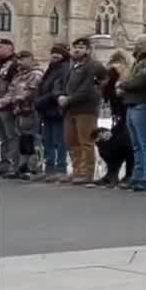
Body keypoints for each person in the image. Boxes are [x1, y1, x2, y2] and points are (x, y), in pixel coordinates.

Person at [58, 37, 107, 184]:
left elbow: (87, 89)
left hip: (85, 109)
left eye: (81, 47)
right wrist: (60, 96)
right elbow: (61, 84)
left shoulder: (93, 66)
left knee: (86, 141)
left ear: (88, 50)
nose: (77, 49)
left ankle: (87, 173)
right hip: (70, 110)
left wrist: (69, 99)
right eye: (75, 47)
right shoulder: (72, 66)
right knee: (72, 141)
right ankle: (77, 170)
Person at [120, 35, 146, 191]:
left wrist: (123, 84)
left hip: (143, 104)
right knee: (136, 144)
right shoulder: (139, 61)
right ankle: (138, 174)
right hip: (132, 104)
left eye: (137, 44)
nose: (135, 46)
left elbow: (138, 81)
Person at [0, 51, 44, 179]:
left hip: (31, 110)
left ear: (30, 59)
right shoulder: (19, 75)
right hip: (19, 111)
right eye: (18, 60)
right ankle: (22, 167)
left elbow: (29, 91)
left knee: (33, 139)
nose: (20, 62)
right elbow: (11, 91)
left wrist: (14, 99)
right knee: (23, 139)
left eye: (23, 59)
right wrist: (2, 102)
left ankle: (34, 167)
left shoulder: (36, 73)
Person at [92, 51, 133, 187]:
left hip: (127, 113)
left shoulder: (117, 77)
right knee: (113, 142)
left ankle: (127, 174)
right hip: (120, 116)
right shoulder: (112, 80)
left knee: (127, 145)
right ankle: (113, 173)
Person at [32, 43, 69, 181]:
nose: (55, 55)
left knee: (59, 141)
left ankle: (60, 169)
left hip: (56, 109)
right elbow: (43, 86)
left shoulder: (64, 69)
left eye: (58, 52)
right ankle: (49, 168)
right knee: (47, 140)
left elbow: (56, 89)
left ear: (64, 54)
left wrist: (41, 101)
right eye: (53, 52)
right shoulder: (51, 68)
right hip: (47, 110)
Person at [0, 38, 17, 175]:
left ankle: (13, 163)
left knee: (11, 135)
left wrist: (4, 101)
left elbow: (14, 86)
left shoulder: (14, 64)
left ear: (9, 48)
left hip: (8, 105)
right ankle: (4, 163)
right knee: (3, 136)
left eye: (0, 47)